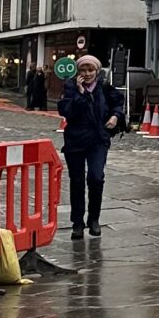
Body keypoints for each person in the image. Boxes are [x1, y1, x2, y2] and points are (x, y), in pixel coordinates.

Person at [58, 52, 126, 239]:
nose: (87, 73)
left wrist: (115, 117)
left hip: (98, 139)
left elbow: (117, 104)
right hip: (75, 141)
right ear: (78, 71)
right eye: (83, 70)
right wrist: (80, 92)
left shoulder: (104, 87)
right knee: (77, 181)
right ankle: (77, 223)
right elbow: (66, 112)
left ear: (97, 70)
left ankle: (94, 219)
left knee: (96, 178)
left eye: (90, 70)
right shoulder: (70, 87)